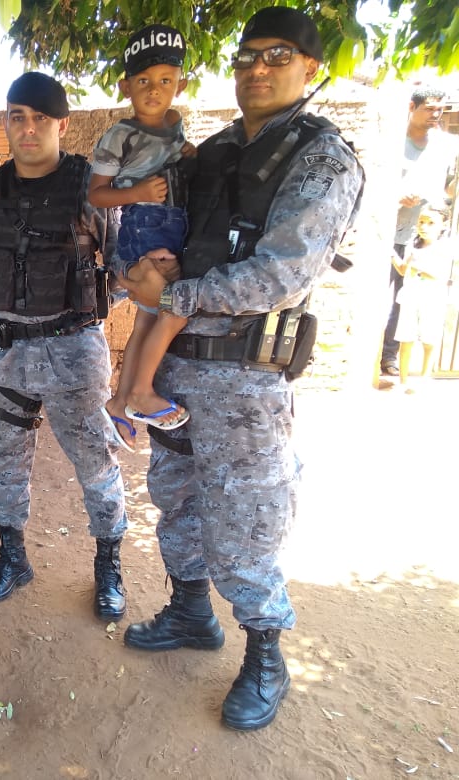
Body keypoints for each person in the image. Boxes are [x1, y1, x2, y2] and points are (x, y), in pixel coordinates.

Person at [117, 7, 364, 731]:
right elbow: (165, 236)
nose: (258, 68)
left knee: (247, 520)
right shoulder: (214, 152)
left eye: (278, 55)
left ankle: (265, 655)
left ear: (310, 68)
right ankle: (192, 613)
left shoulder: (323, 159)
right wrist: (143, 266)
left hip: (245, 382)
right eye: (248, 56)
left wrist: (175, 296)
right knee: (176, 500)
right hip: (175, 371)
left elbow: (283, 274)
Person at [0, 72, 129, 620]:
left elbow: (123, 265)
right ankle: (12, 557)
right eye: (17, 117)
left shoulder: (90, 188)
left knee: (95, 460)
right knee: (8, 461)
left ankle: (108, 564)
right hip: (6, 352)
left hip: (73, 350)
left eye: (39, 118)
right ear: (7, 123)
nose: (28, 129)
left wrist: (84, 312)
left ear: (62, 124)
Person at [88, 23, 194, 451]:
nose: (155, 90)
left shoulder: (174, 126)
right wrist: (138, 193)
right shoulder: (121, 135)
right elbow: (97, 194)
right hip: (144, 224)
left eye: (166, 81)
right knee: (175, 310)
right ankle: (141, 393)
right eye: (144, 81)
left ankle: (119, 402)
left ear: (180, 85)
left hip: (171, 224)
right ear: (125, 87)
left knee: (147, 318)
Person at [380, 86, 458, 376]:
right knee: (384, 299)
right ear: (412, 107)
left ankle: (390, 358)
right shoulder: (391, 142)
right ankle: (371, 356)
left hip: (426, 239)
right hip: (390, 233)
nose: (435, 114)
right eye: (429, 109)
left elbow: (449, 190)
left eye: (440, 109)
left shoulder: (446, 146)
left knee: (412, 302)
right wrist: (396, 196)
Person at [395, 211, 454, 392]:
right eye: (421, 222)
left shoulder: (445, 247)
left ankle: (424, 379)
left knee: (429, 339)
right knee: (406, 338)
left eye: (430, 223)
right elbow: (403, 270)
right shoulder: (412, 246)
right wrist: (391, 255)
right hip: (410, 296)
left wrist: (419, 270)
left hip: (432, 298)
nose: (424, 226)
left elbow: (441, 275)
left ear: (443, 225)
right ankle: (403, 382)